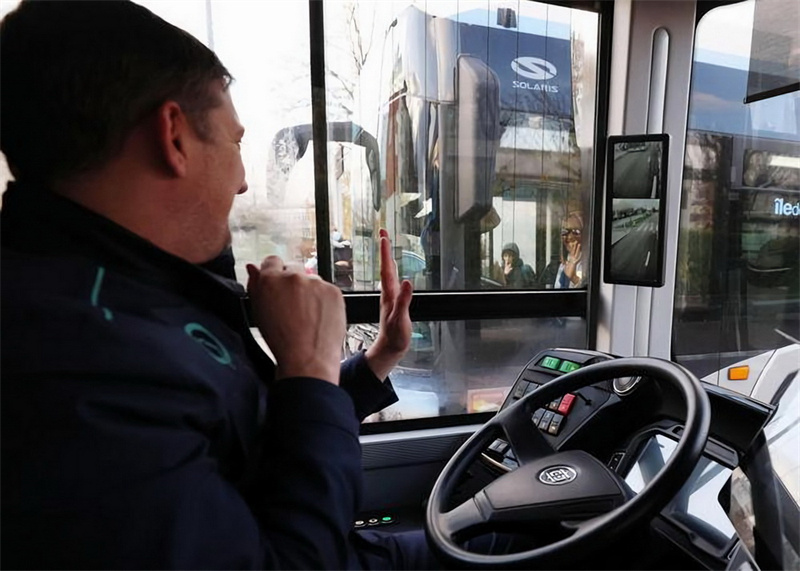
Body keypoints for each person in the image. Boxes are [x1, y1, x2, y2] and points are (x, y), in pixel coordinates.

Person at [0, 1, 435, 568]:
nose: (245, 180)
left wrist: (372, 362)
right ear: (174, 135)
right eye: (234, 143)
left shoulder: (130, 292)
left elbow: (249, 433)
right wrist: (305, 364)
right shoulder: (72, 367)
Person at [553, 212, 586, 289]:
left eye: (576, 231)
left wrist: (574, 278)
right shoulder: (561, 264)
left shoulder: (591, 263)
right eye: (565, 231)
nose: (570, 237)